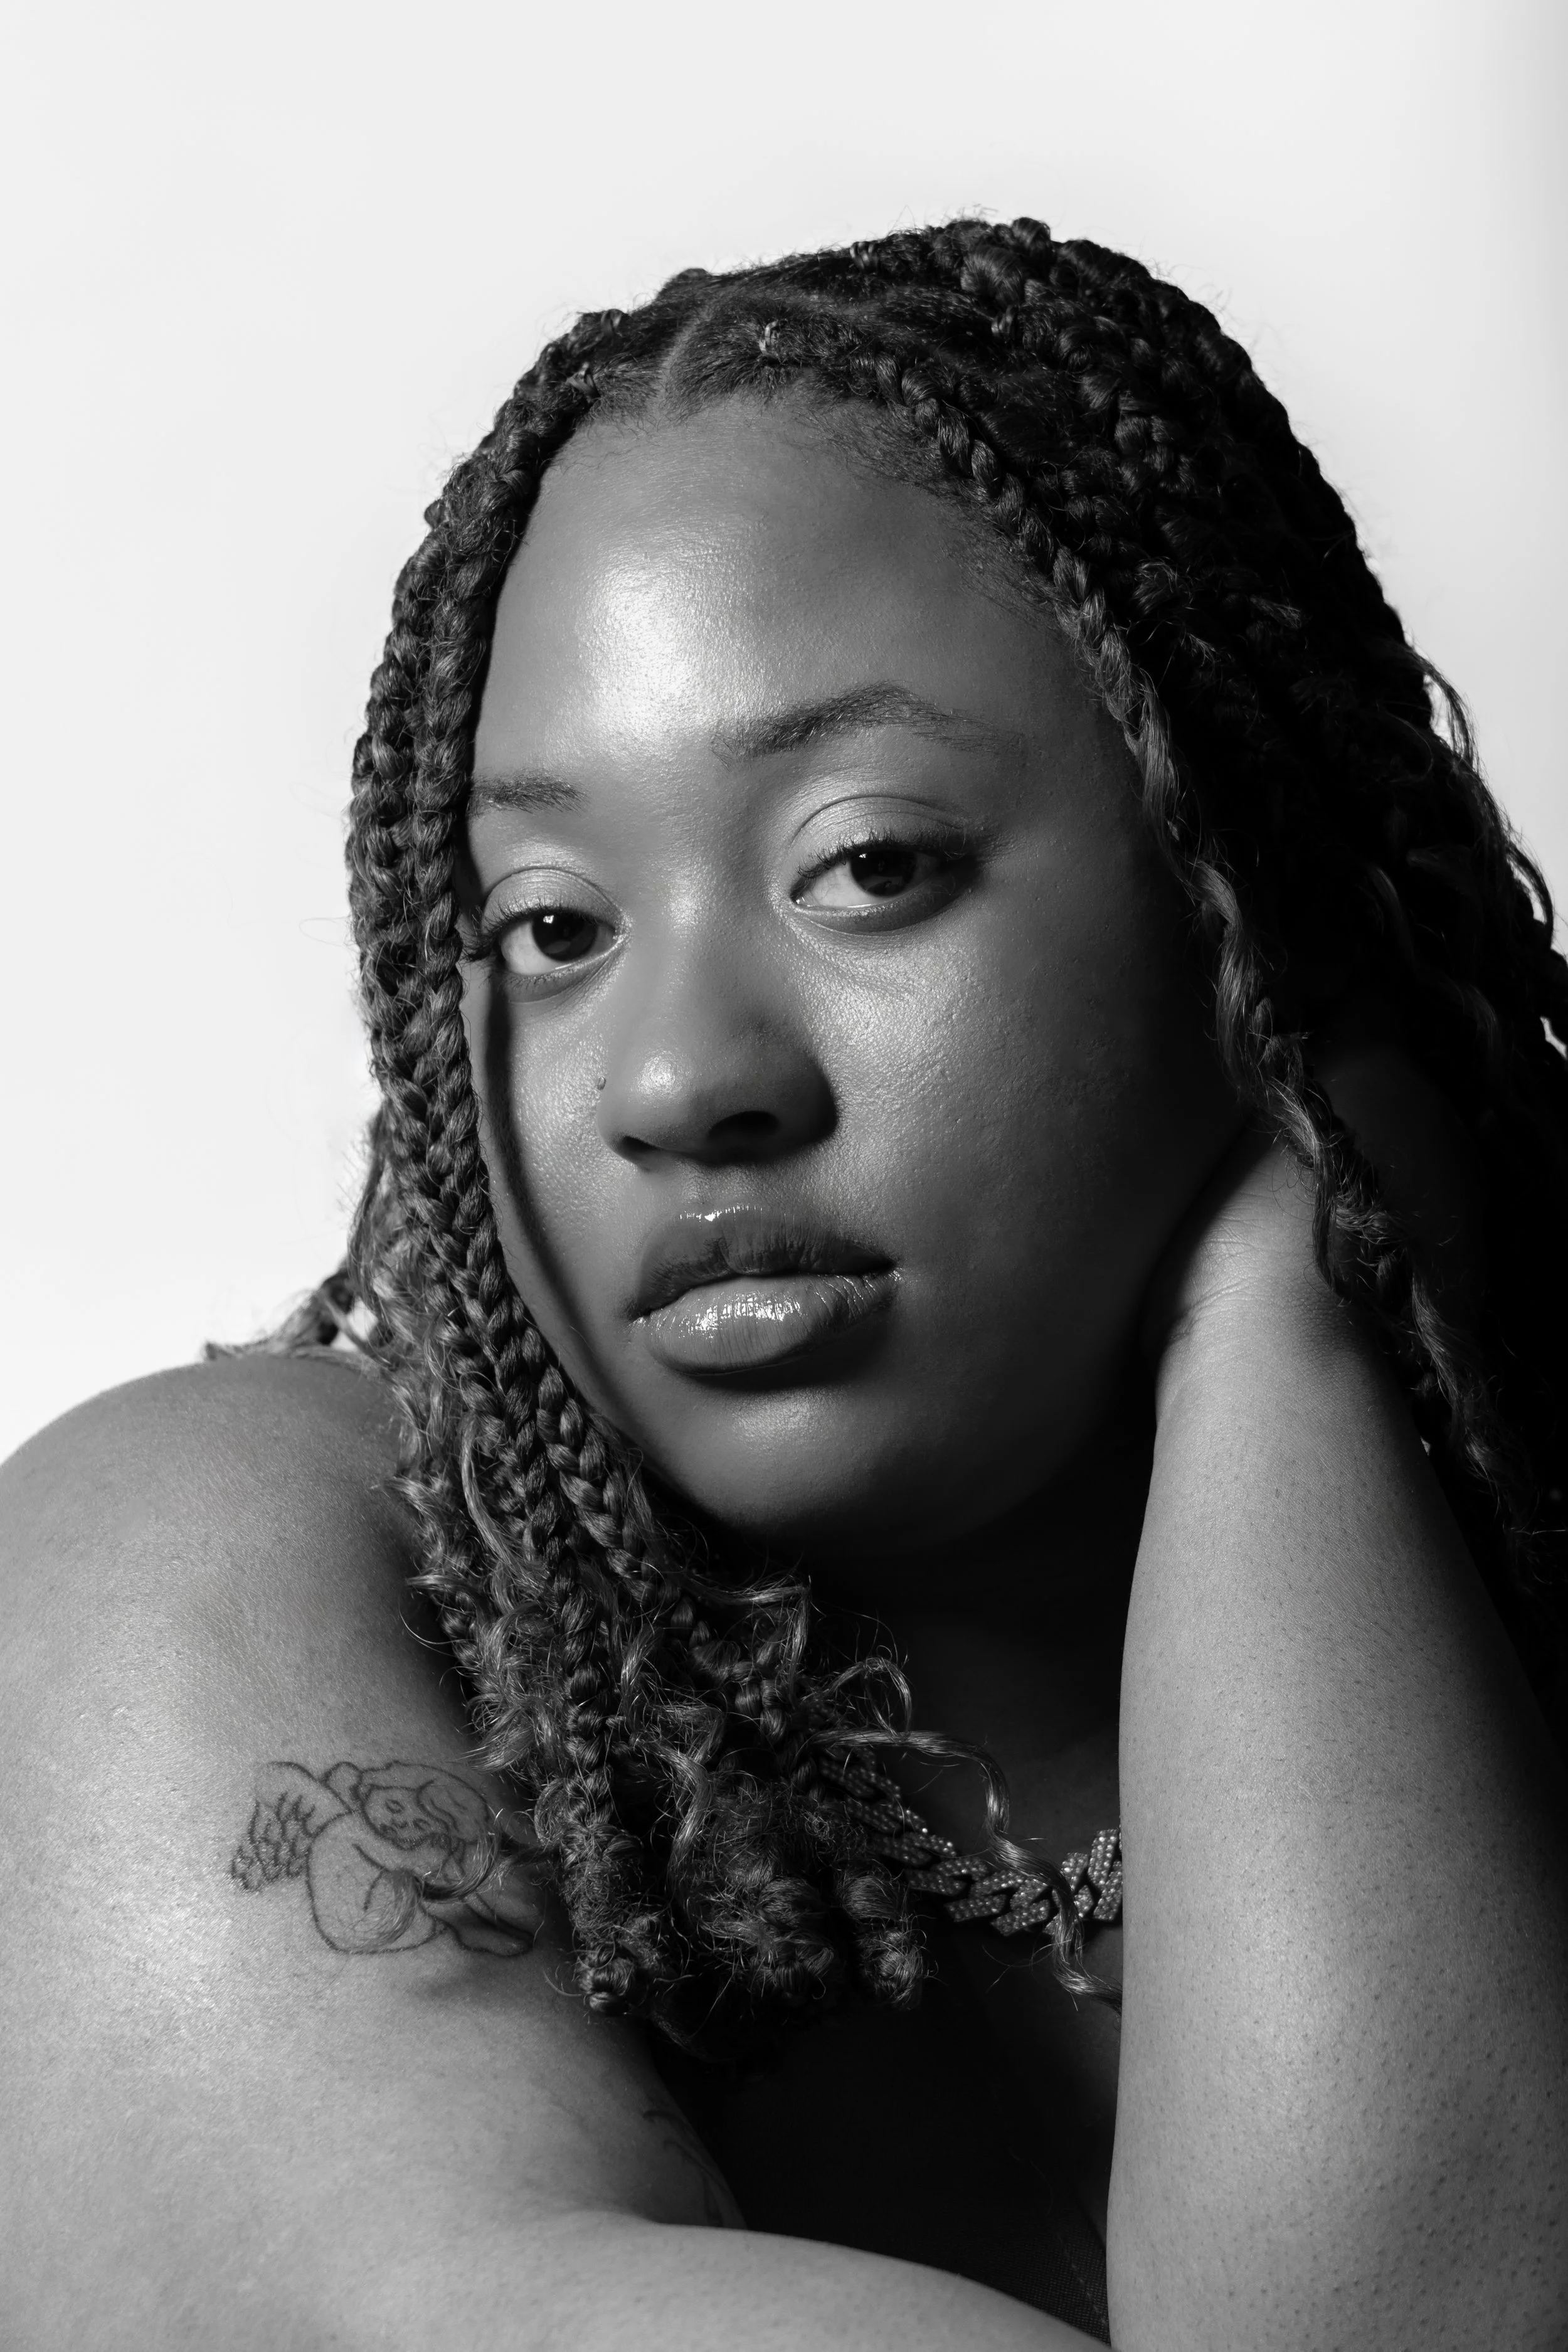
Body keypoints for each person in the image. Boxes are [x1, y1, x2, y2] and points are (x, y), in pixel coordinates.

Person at [3, 216, 1565, 2351]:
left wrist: (1286, 1335)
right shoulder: (198, 1572)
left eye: (868, 868)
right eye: (554, 927)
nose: (677, 1081)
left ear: (1246, 891)